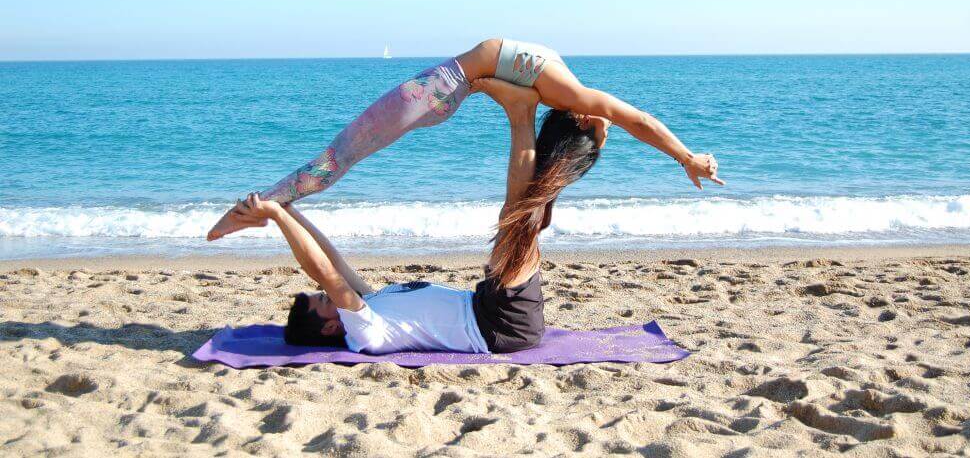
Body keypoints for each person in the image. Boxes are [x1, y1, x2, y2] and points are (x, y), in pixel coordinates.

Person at [207, 38, 724, 241]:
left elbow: (632, 121)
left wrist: (489, 86)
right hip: (437, 92)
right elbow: (639, 120)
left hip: (439, 93)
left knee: (341, 157)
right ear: (588, 120)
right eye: (604, 126)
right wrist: (685, 156)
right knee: (341, 156)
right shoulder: (572, 93)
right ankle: (257, 207)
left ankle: (257, 206)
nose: (609, 123)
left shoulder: (557, 90)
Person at [220, 79, 566, 353]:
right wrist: (277, 218)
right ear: (329, 327)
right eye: (325, 299)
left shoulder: (372, 305)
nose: (328, 293)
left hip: (487, 303)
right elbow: (323, 272)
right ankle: (521, 113)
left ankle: (574, 141)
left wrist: (288, 208)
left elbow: (333, 261)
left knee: (527, 214)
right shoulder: (365, 331)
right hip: (501, 325)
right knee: (518, 217)